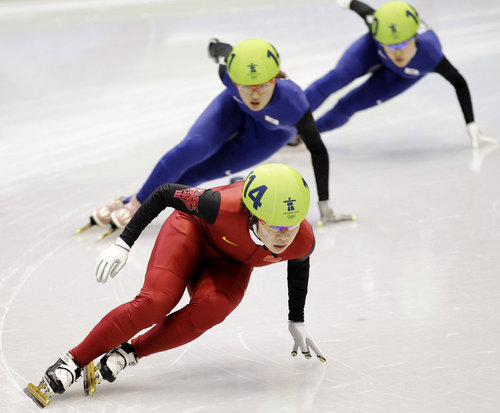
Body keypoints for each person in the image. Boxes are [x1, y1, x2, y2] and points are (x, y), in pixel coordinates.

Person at [25, 163, 326, 409]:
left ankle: (130, 352)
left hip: (229, 262)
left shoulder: (302, 240)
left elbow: (299, 264)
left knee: (215, 307)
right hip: (191, 230)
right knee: (156, 302)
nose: (284, 237)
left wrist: (296, 317)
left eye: (292, 225)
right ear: (253, 214)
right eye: (274, 226)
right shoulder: (218, 205)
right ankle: (72, 361)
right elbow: (165, 193)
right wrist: (123, 243)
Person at [80, 38, 353, 240]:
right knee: (194, 148)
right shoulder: (228, 77)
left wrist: (324, 205)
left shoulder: (294, 104)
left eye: (262, 86)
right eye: (246, 86)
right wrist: (215, 46)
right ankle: (137, 202)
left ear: (274, 80)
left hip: (269, 134)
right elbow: (223, 54)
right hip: (232, 109)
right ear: (235, 81)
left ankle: (128, 200)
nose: (254, 94)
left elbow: (318, 150)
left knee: (201, 172)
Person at [304, 0, 497, 148]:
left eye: (403, 45)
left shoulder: (431, 55)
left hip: (400, 77)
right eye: (391, 46)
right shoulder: (376, 26)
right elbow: (361, 8)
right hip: (370, 51)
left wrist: (470, 122)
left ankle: (304, 136)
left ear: (415, 38)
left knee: (350, 104)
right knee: (335, 79)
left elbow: (459, 83)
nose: (397, 52)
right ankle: (291, 117)